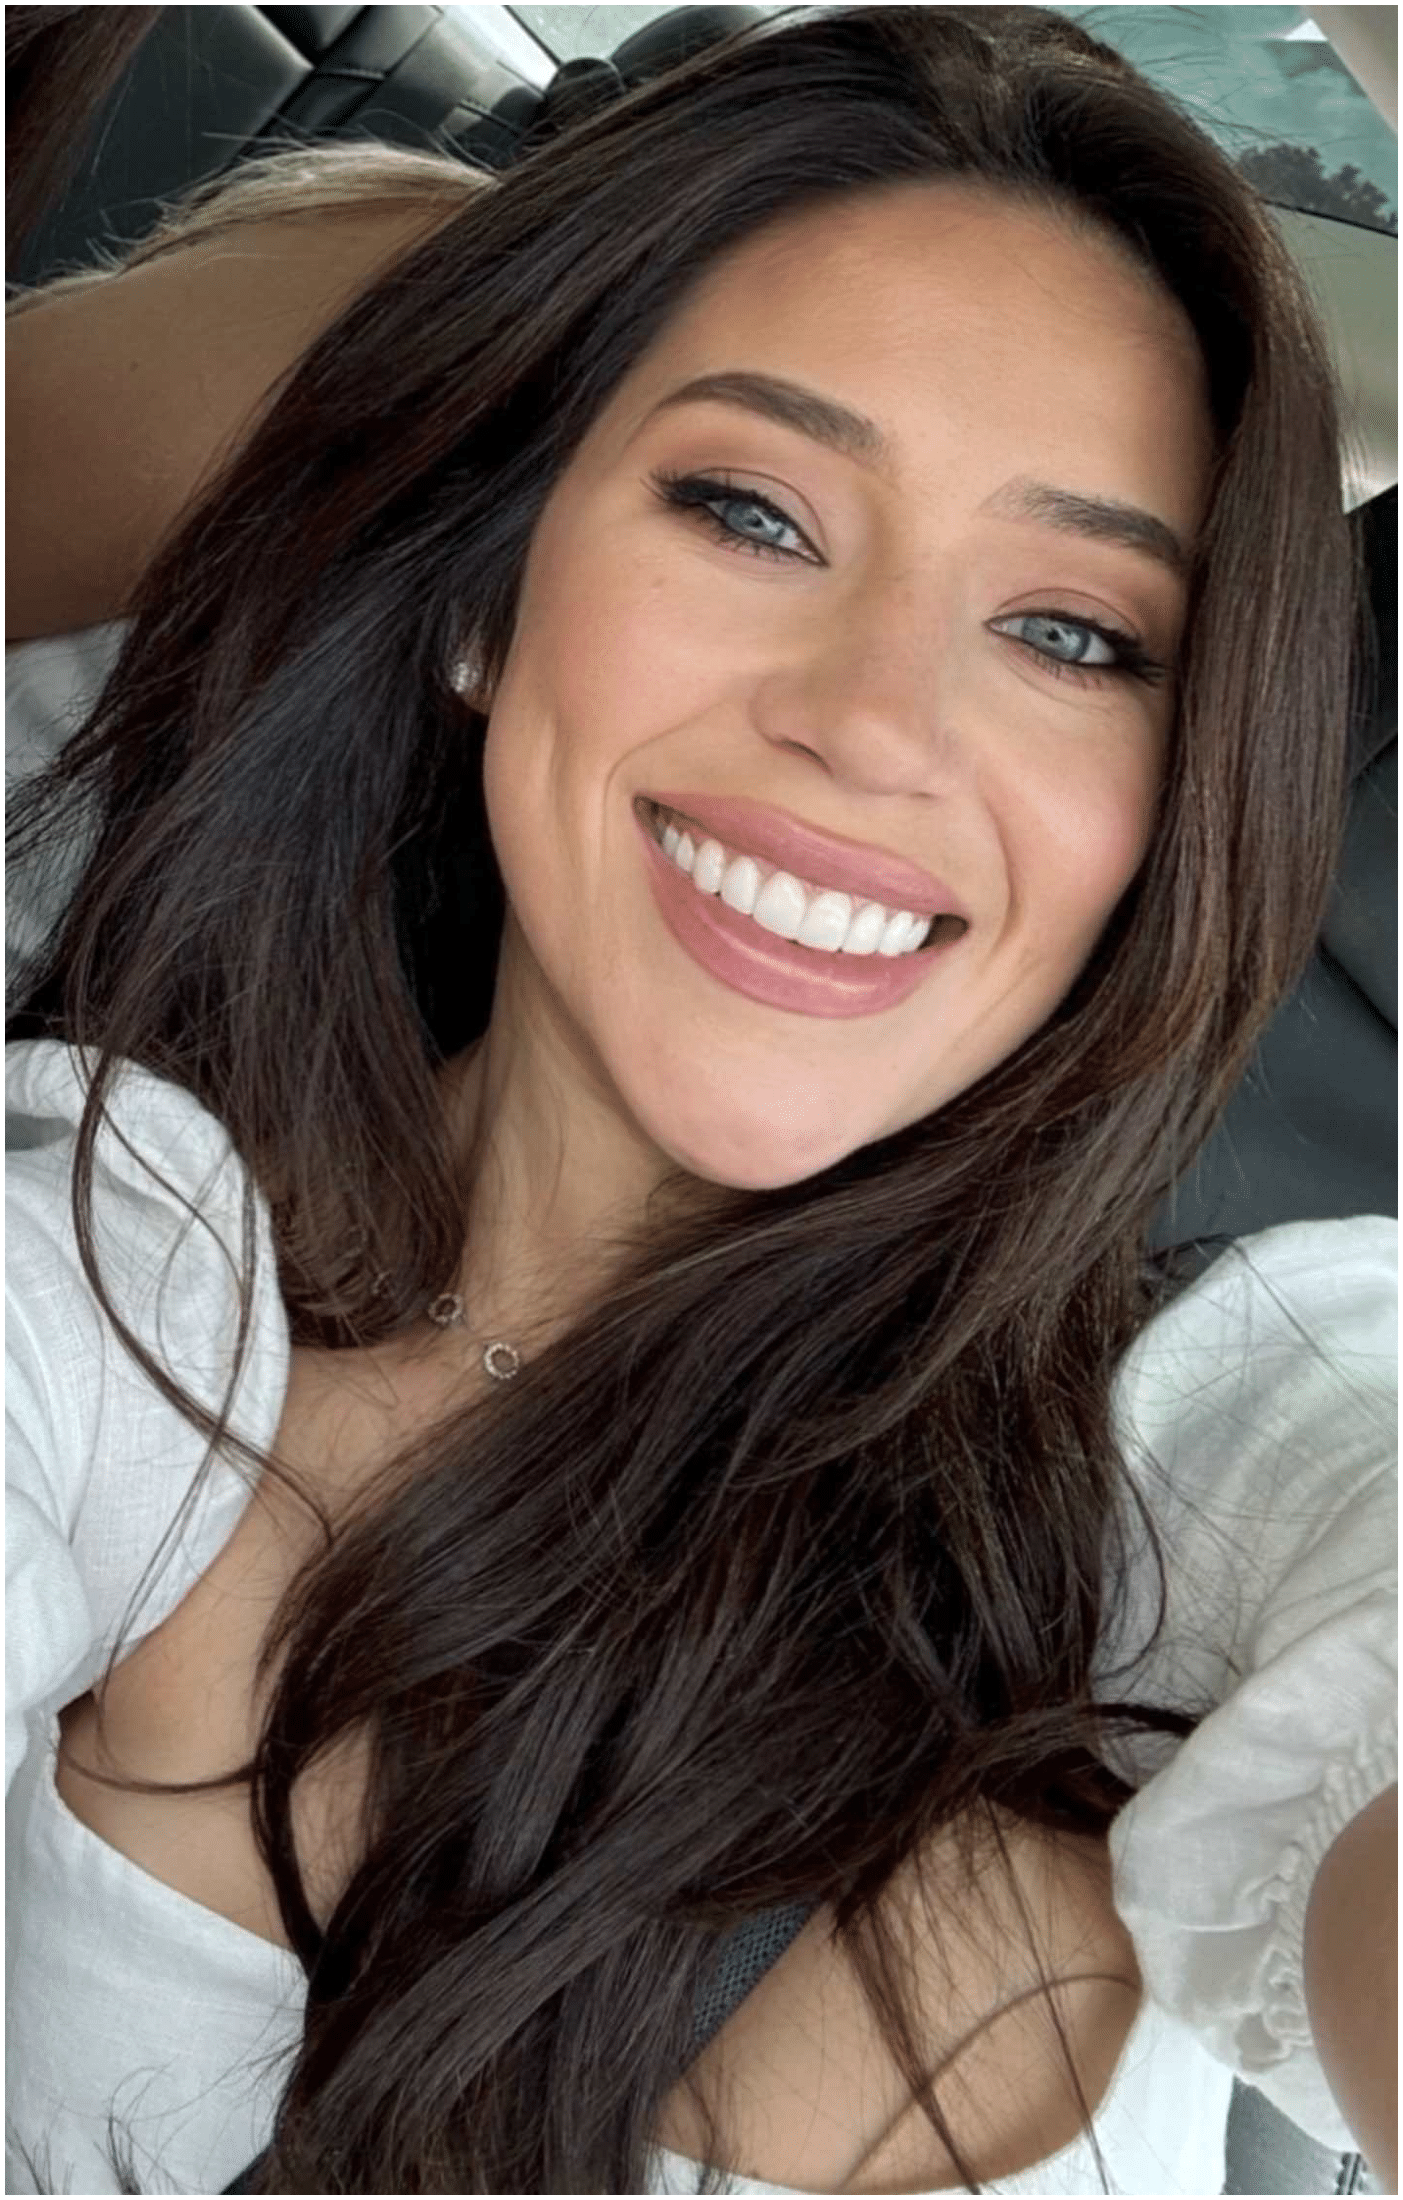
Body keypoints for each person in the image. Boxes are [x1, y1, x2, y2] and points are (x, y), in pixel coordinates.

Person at [5, 6, 1396, 2195]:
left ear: (1171, 803)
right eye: (749, 509)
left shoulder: (1217, 1447)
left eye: (1070, 632)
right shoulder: (108, 1246)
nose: (872, 722)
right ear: (485, 589)